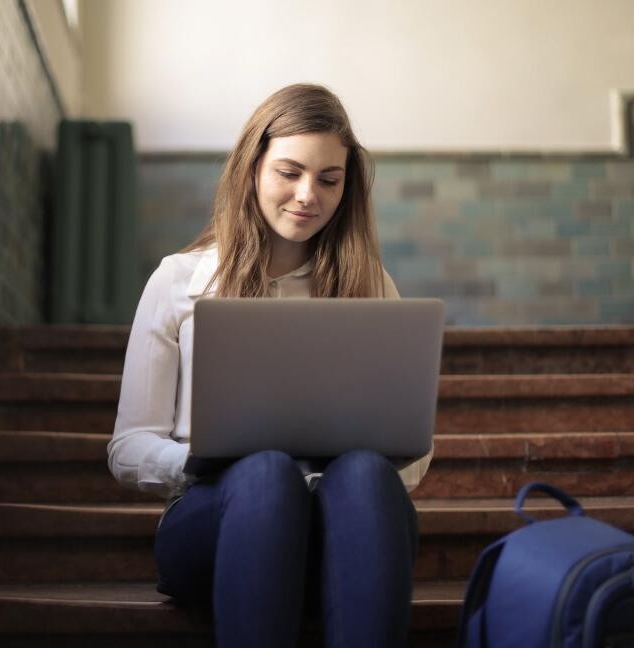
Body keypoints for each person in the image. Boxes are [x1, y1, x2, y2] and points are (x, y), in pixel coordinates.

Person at [107, 83, 433, 647]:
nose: (308, 195)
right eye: (289, 172)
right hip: (218, 524)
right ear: (251, 167)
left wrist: (330, 479)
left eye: (329, 180)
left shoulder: (372, 288)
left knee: (361, 473)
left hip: (346, 534)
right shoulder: (179, 281)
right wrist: (201, 462)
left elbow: (412, 454)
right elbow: (128, 445)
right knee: (263, 473)